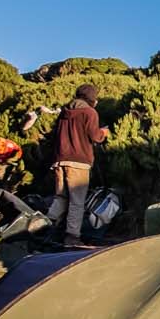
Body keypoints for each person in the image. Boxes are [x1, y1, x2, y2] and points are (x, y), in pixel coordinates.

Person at [51, 84, 108, 247]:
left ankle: (44, 228)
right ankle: (72, 237)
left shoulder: (64, 112)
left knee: (60, 197)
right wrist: (104, 132)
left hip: (59, 160)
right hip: (79, 162)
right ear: (92, 98)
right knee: (77, 200)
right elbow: (95, 136)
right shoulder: (90, 112)